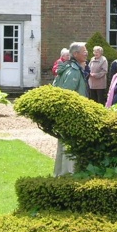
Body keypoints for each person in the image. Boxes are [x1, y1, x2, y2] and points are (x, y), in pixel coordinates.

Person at [52, 42, 88, 175]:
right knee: (70, 145)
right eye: (84, 51)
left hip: (67, 114)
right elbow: (67, 94)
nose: (87, 53)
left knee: (64, 144)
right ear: (75, 54)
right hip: (71, 114)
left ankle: (60, 174)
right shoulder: (73, 71)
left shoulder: (68, 67)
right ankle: (68, 174)